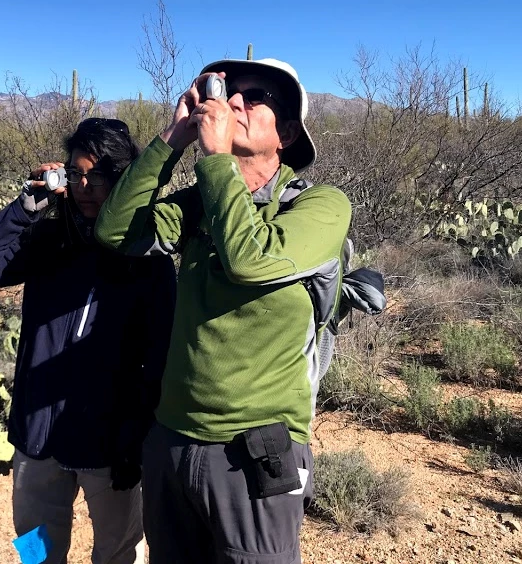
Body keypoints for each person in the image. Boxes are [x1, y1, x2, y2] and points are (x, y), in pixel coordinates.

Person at [94, 59, 352, 564]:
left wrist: (215, 160)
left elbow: (250, 261)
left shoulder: (321, 206)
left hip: (255, 448)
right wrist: (172, 139)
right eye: (230, 91)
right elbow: (116, 232)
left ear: (287, 134)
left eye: (254, 98)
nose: (233, 101)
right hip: (172, 438)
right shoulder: (202, 202)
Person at [0, 117, 176, 564]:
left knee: (118, 551)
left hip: (110, 444)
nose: (86, 186)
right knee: (35, 550)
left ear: (126, 178)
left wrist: (136, 438)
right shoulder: (49, 241)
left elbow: (159, 355)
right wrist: (24, 209)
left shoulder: (147, 258)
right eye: (76, 174)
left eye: (101, 175)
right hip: (38, 438)